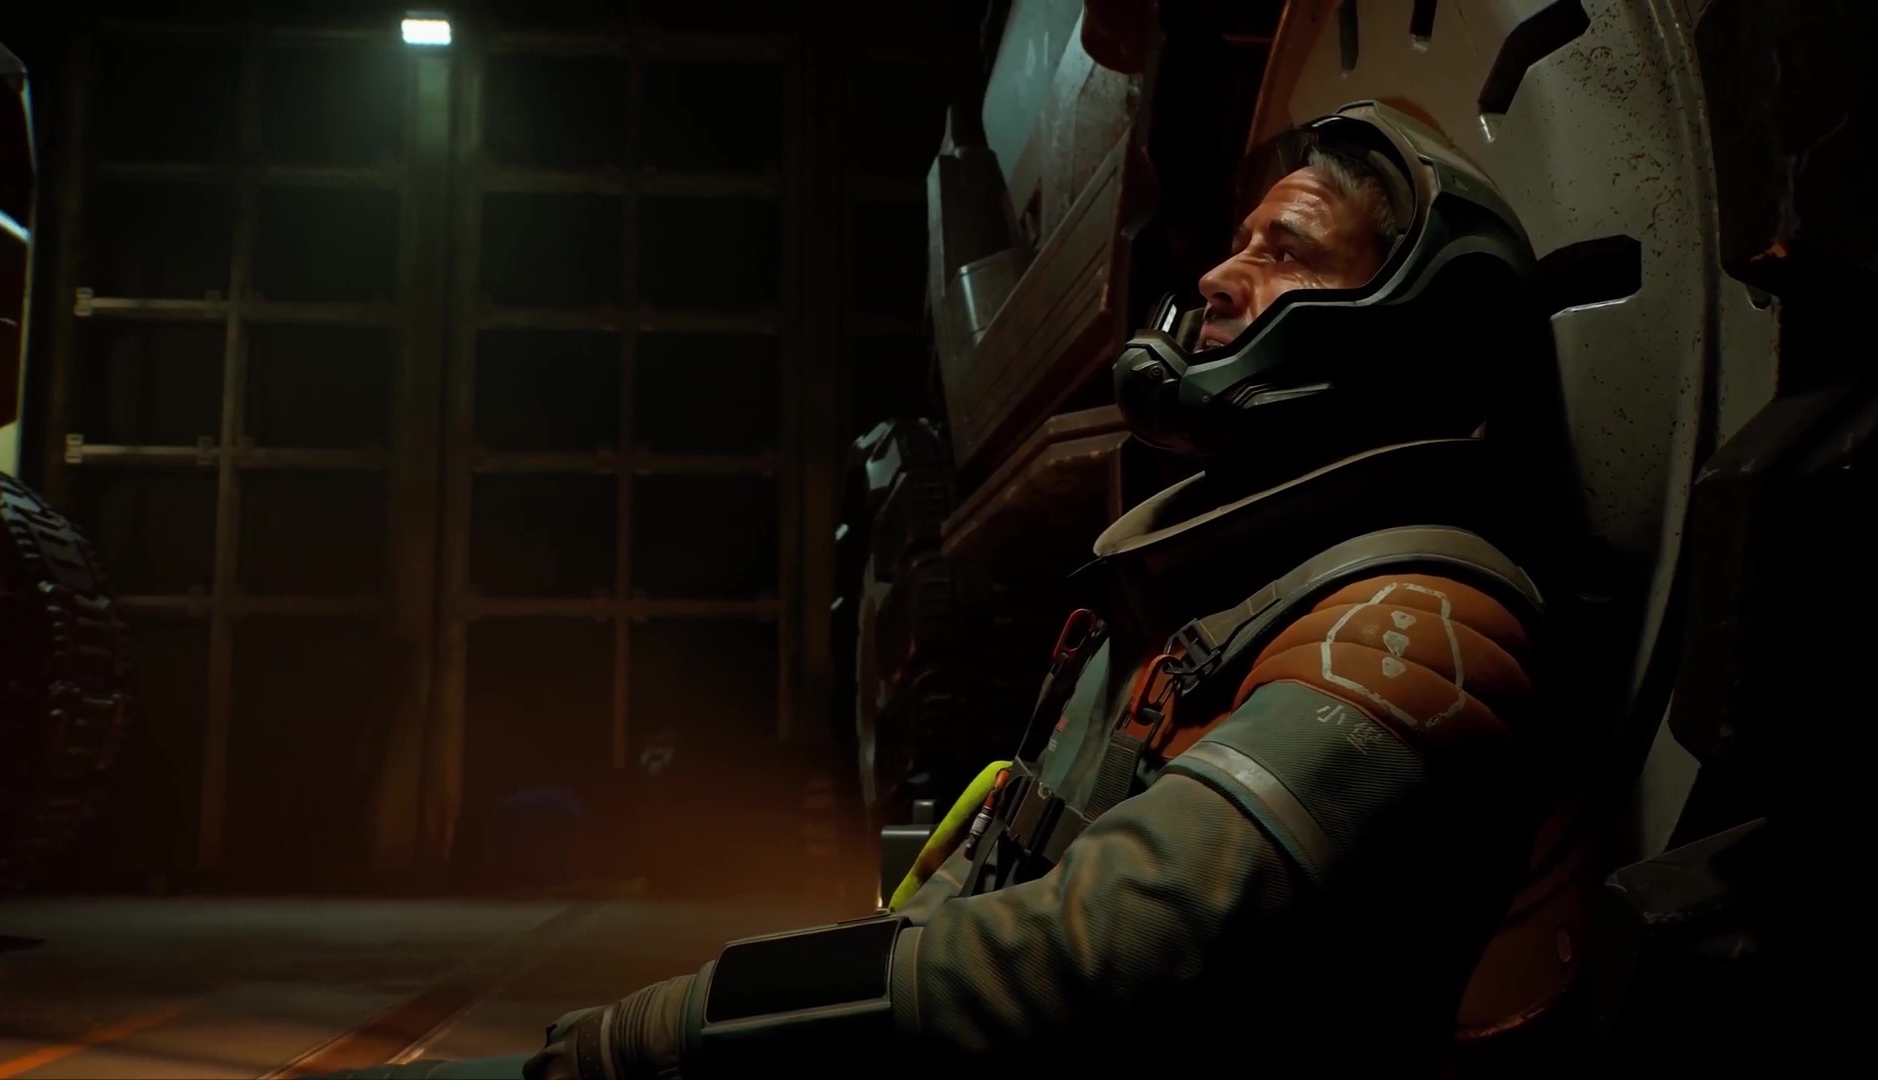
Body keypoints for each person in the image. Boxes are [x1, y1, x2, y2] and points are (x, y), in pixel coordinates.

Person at [321, 101, 1582, 1080]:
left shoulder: (1418, 631)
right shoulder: (1219, 596)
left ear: (1416, 327)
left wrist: (679, 1028)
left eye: (1285, 251)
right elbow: (984, 899)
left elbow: (1103, 950)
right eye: (1242, 241)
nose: (1217, 278)